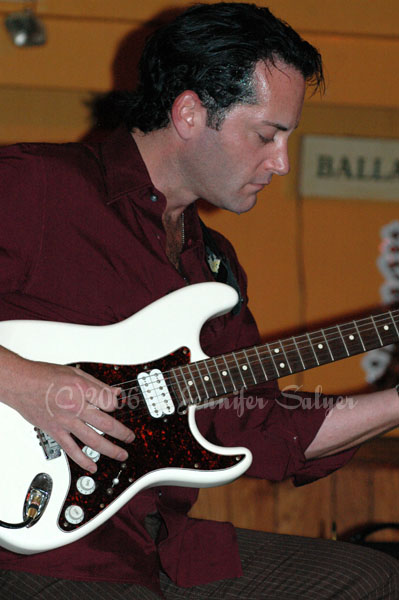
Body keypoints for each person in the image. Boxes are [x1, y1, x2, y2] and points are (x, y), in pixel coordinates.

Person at [0, 3, 399, 598]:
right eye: (266, 135)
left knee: (368, 578)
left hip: (155, 544)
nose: (282, 163)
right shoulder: (39, 187)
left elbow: (262, 425)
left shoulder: (215, 268)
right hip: (39, 556)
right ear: (189, 112)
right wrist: (22, 381)